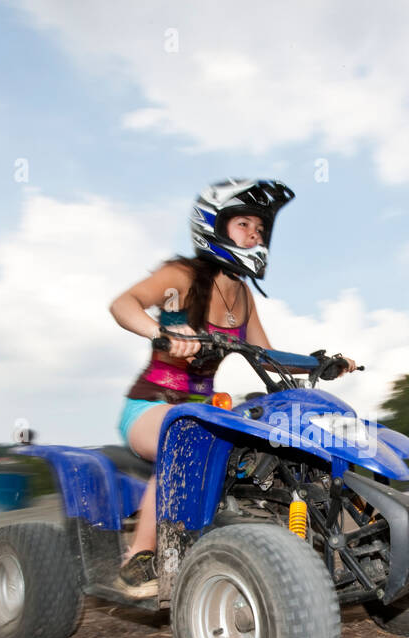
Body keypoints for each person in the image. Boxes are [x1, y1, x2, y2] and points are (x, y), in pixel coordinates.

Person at [108, 178, 356, 597]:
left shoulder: (242, 295)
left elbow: (266, 354)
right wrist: (160, 333)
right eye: (244, 224)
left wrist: (322, 363)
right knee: (183, 437)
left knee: (274, 440)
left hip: (207, 413)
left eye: (259, 230)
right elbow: (122, 304)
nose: (254, 235)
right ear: (215, 226)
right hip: (152, 405)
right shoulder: (180, 276)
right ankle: (138, 557)